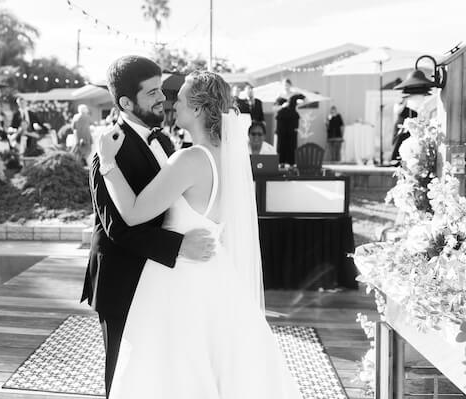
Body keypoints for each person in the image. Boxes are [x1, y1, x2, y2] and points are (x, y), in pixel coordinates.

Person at [97, 70, 302, 398]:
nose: (169, 103)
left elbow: (134, 213)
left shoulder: (190, 159)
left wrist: (107, 162)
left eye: (178, 99)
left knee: (171, 370)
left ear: (197, 110)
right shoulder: (228, 157)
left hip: (177, 279)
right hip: (213, 273)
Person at [80, 55, 217, 398]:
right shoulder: (106, 153)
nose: (163, 98)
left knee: (155, 370)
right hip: (122, 279)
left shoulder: (167, 143)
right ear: (126, 102)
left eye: (161, 89)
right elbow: (118, 228)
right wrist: (178, 246)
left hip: (161, 280)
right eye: (152, 92)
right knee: (123, 372)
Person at [276, 93, 304, 165]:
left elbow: (303, 98)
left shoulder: (293, 98)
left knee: (289, 146)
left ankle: (287, 163)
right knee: (284, 146)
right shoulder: (280, 98)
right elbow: (274, 108)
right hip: (285, 129)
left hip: (288, 129)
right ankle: (284, 163)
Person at [391, 97, 417, 162]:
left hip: (410, 126)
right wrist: (405, 102)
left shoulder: (413, 105)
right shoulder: (399, 104)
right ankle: (395, 159)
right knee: (398, 141)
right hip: (400, 125)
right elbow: (398, 111)